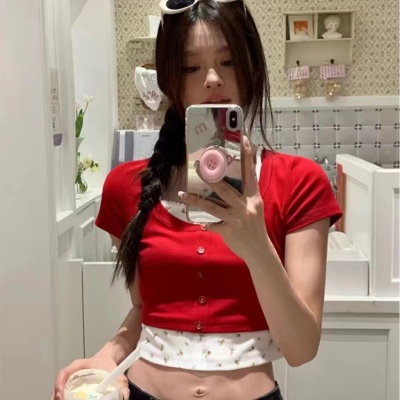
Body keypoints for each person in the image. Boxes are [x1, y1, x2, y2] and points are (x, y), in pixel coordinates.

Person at [52, 1, 342, 399]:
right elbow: (144, 311)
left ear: (253, 69)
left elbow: (301, 348)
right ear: (170, 78)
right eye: (191, 67)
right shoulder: (127, 187)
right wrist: (108, 355)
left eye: (229, 61)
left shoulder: (299, 182)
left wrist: (256, 246)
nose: (212, 79)